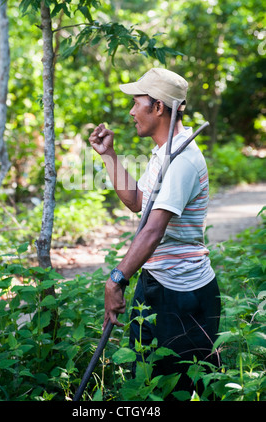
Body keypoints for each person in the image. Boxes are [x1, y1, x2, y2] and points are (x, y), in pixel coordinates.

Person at [89, 67, 221, 393]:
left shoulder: (182, 159)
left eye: (137, 103)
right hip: (155, 284)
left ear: (158, 107)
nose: (131, 112)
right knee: (144, 385)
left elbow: (153, 230)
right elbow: (138, 202)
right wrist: (109, 156)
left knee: (175, 389)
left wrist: (116, 279)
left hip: (182, 295)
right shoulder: (164, 153)